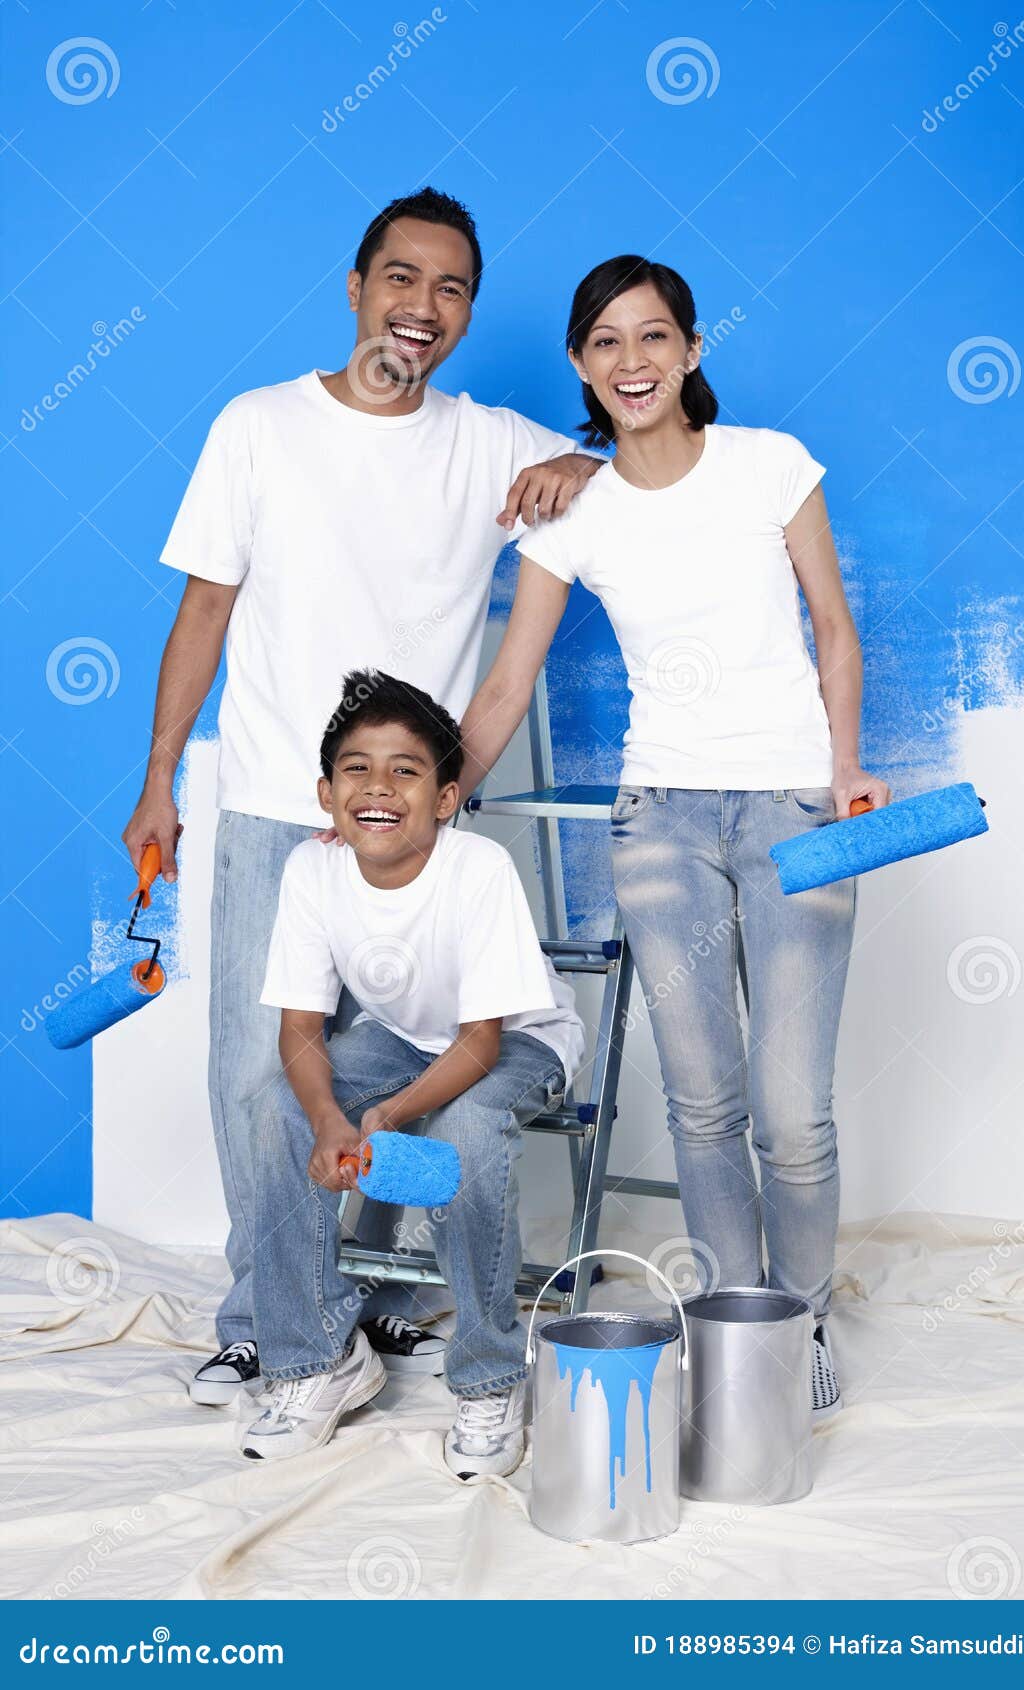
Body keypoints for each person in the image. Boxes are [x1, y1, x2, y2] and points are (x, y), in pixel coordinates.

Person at [120, 189, 602, 1402]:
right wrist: (159, 777)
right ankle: (273, 1314)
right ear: (355, 286)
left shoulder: (487, 439)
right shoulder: (258, 426)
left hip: (415, 827)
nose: (422, 307)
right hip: (283, 805)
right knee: (258, 1070)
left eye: (449, 289)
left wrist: (574, 457)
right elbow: (206, 611)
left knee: (402, 1053)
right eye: (401, 278)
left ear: (466, 310)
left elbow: (630, 471)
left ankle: (376, 1292)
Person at [459, 255, 892, 1419]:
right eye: (605, 342)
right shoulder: (574, 511)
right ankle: (733, 1328)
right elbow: (505, 687)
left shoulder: (768, 466)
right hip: (659, 825)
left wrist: (844, 766)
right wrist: (423, 792)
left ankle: (796, 1323)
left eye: (652, 338)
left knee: (792, 1109)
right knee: (704, 1107)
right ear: (579, 365)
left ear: (691, 351)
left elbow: (833, 632)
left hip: (795, 810)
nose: (631, 361)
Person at [240, 669, 583, 1476]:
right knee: (275, 1107)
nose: (379, 786)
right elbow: (299, 1028)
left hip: (517, 1039)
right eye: (356, 768)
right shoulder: (310, 870)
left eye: (406, 769)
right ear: (326, 794)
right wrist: (329, 1118)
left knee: (465, 1132)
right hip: (401, 1037)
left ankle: (488, 1379)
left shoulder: (477, 869)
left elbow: (480, 1045)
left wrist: (385, 1116)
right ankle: (315, 1360)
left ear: (445, 796)